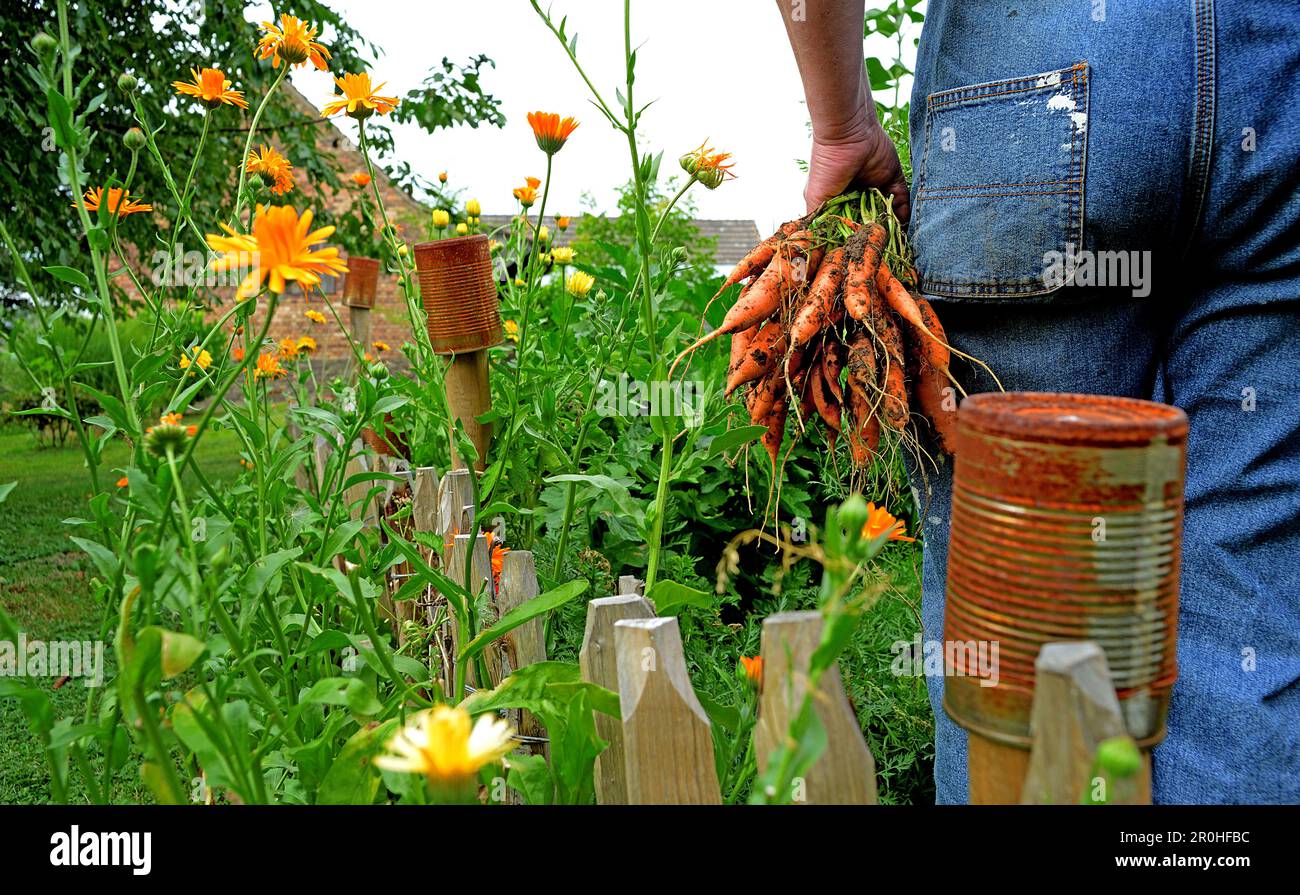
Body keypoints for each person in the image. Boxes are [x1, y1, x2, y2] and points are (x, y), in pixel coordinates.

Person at [777, 0, 1300, 804]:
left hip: (1040, 78)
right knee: (1246, 629)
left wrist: (841, 120)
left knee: (1016, 641)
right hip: (1280, 80)